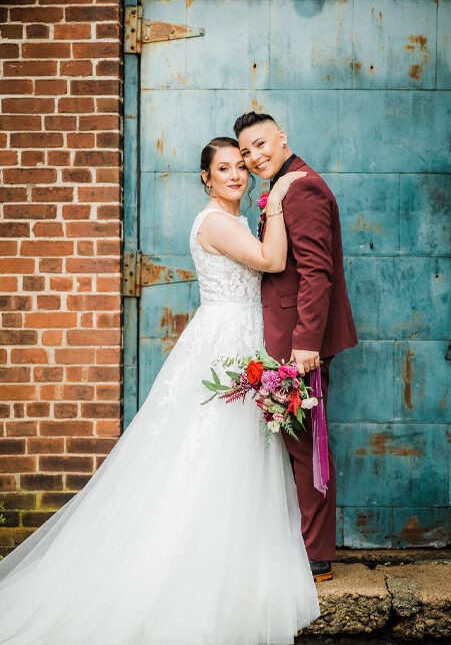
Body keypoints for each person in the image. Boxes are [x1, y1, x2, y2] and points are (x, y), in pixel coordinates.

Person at [0, 137, 320, 645]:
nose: (236, 175)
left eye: (241, 166)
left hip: (241, 340)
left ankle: (230, 556)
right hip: (223, 345)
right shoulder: (215, 221)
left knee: (234, 454)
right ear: (206, 178)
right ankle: (187, 566)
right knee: (211, 450)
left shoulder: (232, 219)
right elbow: (272, 259)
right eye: (224, 168)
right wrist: (278, 199)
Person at [235, 113, 358, 583]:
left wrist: (306, 344)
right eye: (247, 152)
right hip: (286, 338)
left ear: (282, 137)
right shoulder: (285, 185)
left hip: (298, 344)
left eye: (261, 144)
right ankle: (308, 547)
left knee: (306, 446)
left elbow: (316, 273)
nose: (255, 156)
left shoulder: (301, 187)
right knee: (299, 442)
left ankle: (316, 556)